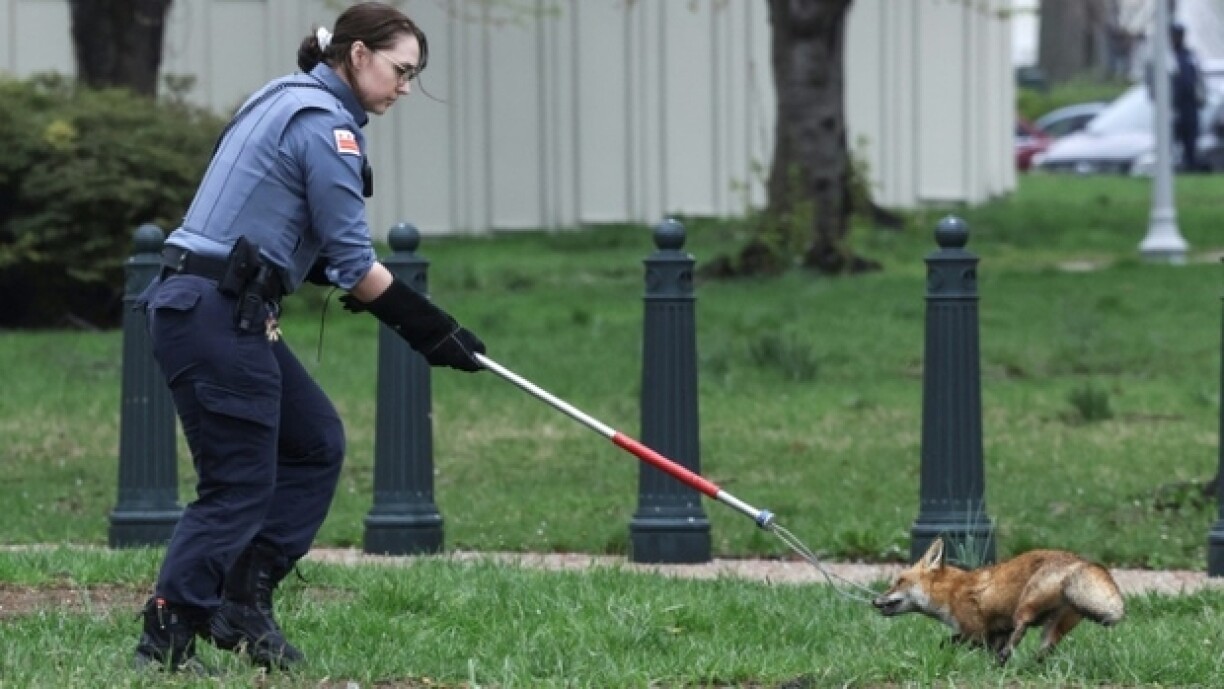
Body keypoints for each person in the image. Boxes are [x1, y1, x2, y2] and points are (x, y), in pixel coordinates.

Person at [133, 1, 485, 673]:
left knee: (314, 442)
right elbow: (354, 263)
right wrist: (435, 333)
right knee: (236, 485)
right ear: (358, 56)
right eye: (401, 71)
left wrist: (305, 265)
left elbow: (273, 217)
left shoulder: (281, 96)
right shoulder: (326, 127)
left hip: (213, 305)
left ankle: (242, 597)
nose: (406, 88)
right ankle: (166, 636)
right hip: (214, 311)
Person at [1170, 23, 1205, 172]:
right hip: (1173, 106)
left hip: (1190, 107)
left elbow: (1197, 79)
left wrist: (1200, 97)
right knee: (1173, 142)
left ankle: (1189, 166)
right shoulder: (1167, 56)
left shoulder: (1190, 55)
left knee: (1190, 141)